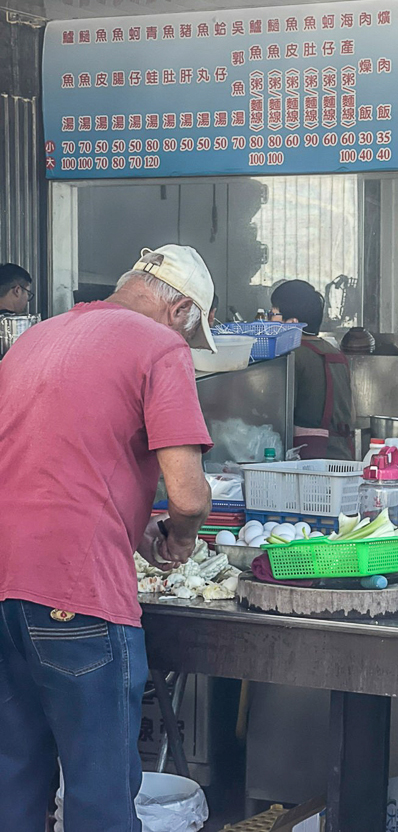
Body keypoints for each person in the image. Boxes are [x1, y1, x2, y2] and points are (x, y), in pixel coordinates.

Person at [0, 244, 215, 831]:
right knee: (100, 795)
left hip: (6, 586)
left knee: (14, 782)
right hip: (77, 595)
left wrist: (131, 522)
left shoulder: (34, 339)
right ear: (182, 311)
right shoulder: (160, 346)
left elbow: (44, 465)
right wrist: (179, 533)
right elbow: (190, 494)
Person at [271, 279, 354, 459]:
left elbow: (277, 415)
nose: (270, 319)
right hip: (342, 455)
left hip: (308, 461)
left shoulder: (291, 356)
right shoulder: (336, 354)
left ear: (292, 322)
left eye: (274, 314)